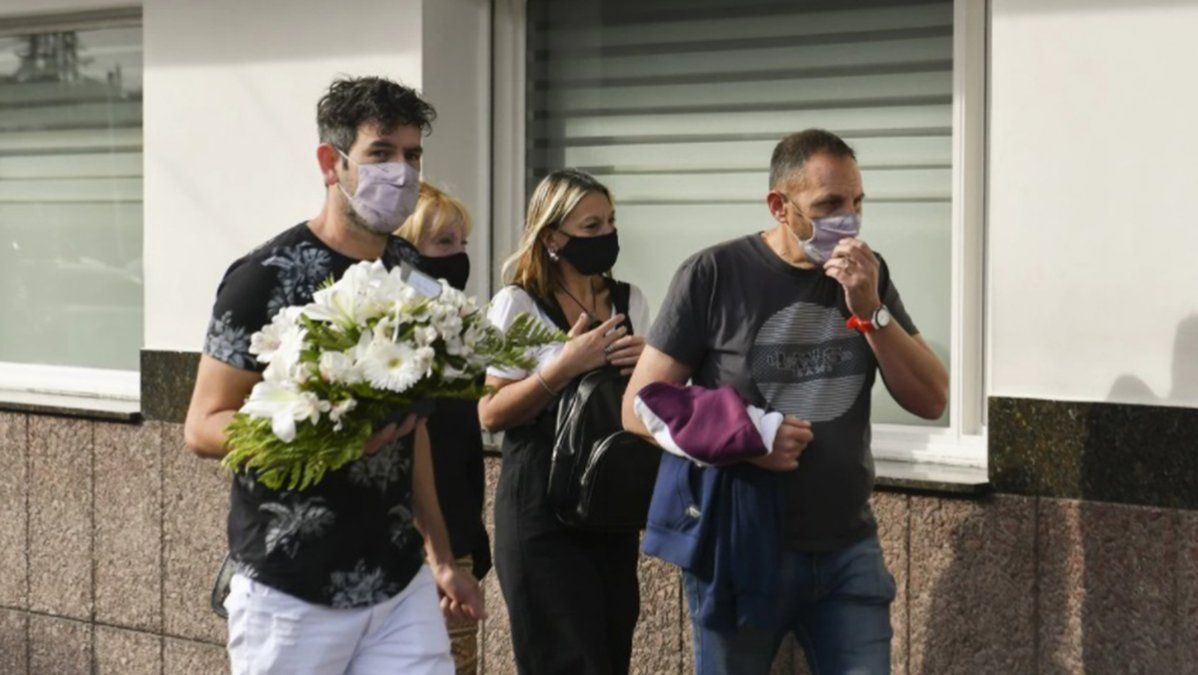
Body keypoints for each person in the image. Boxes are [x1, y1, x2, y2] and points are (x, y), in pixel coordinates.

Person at [183, 76, 483, 675]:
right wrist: (319, 430)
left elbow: (413, 429)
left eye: (412, 155)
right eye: (381, 154)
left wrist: (442, 555)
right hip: (292, 588)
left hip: (399, 584)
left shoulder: (412, 276)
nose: (401, 171)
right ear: (332, 162)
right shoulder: (262, 278)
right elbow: (203, 424)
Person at [623, 129, 948, 675]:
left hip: (848, 548)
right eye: (829, 204)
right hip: (742, 550)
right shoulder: (714, 275)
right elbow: (638, 405)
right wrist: (750, 440)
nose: (848, 219)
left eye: (857, 202)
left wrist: (870, 310)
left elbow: (931, 398)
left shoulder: (867, 274)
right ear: (780, 206)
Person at [477, 169, 650, 675]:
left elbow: (653, 406)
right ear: (552, 237)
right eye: (590, 227)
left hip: (609, 505)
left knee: (610, 654)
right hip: (539, 509)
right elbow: (490, 413)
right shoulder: (517, 304)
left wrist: (650, 369)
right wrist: (566, 363)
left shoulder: (630, 301)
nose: (606, 237)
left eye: (610, 223)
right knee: (562, 660)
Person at [396, 182, 491, 674]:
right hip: (406, 549)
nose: (458, 257)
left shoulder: (458, 327)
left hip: (457, 534)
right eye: (443, 244)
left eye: (462, 243)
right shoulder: (387, 332)